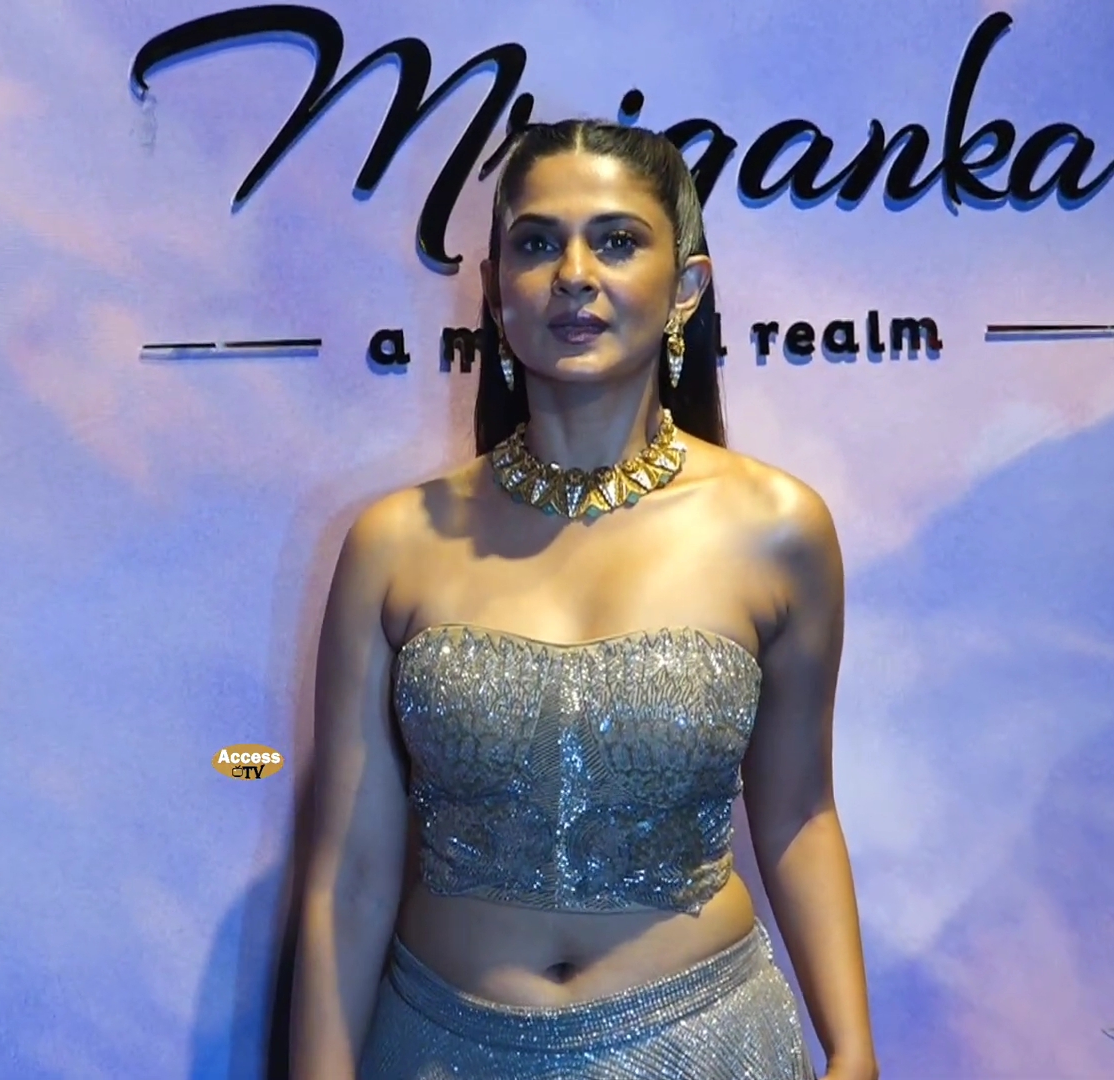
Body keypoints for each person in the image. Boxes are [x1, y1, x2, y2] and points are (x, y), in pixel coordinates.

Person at [287, 118, 877, 1080]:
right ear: (494, 290)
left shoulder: (777, 528)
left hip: (706, 1044)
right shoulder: (393, 545)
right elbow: (347, 875)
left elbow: (799, 814)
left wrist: (852, 1049)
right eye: (536, 243)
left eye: (616, 240)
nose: (573, 274)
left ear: (687, 285)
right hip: (438, 1050)